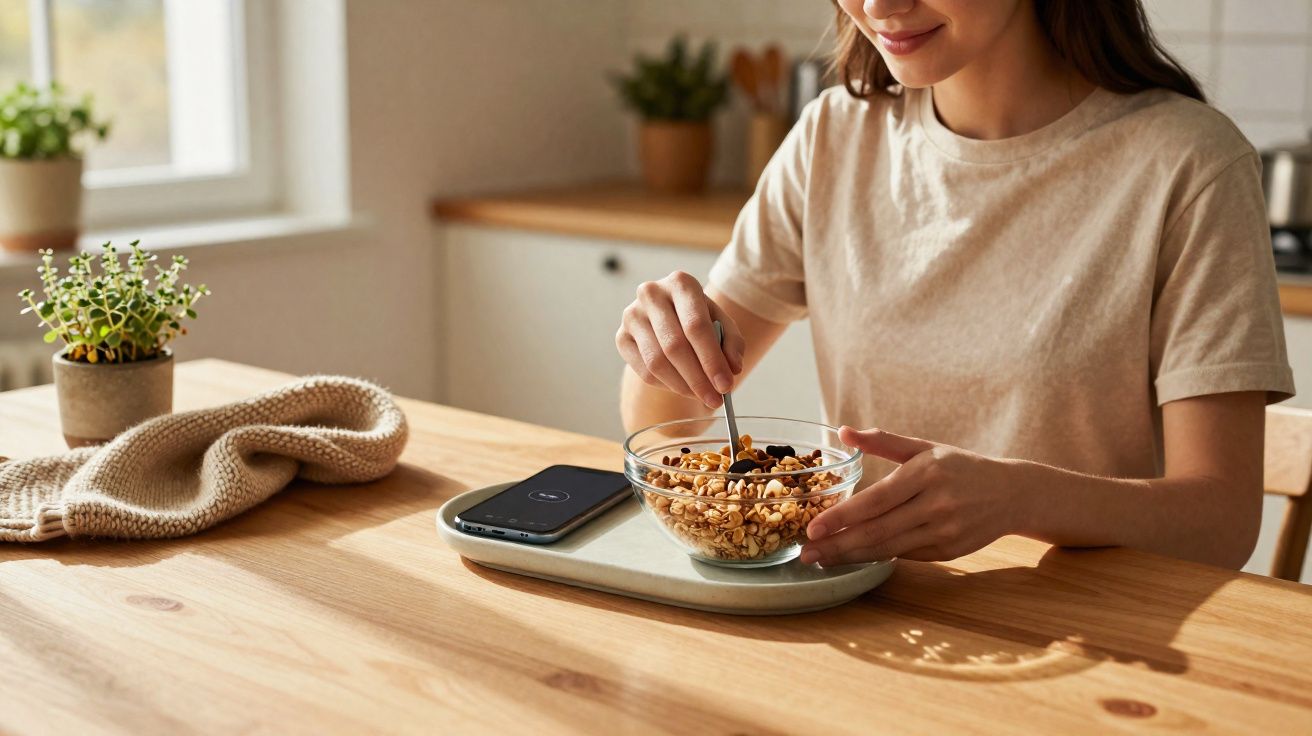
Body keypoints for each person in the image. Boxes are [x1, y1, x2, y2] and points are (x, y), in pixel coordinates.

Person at [614, 0, 1294, 569]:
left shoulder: (1189, 166)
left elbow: (1221, 522)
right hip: (860, 620)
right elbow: (660, 422)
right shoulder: (832, 138)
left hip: (1087, 646)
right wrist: (666, 341)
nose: (880, 5)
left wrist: (1024, 500)